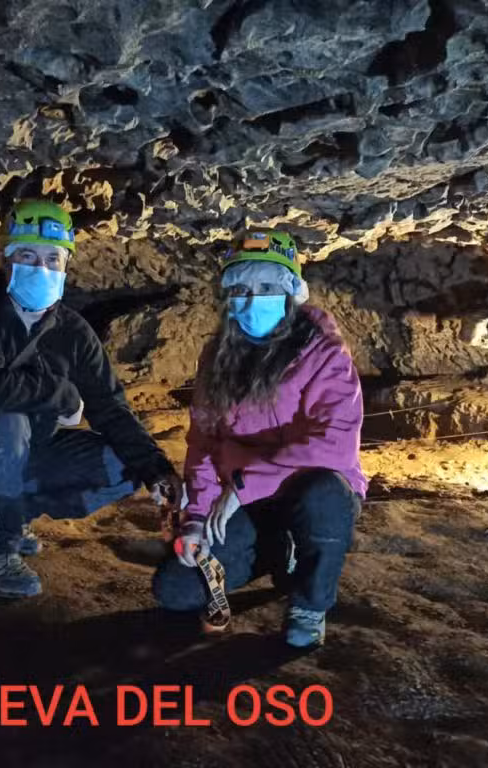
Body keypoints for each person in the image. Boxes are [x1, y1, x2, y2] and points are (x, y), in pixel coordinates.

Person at [0, 199, 182, 598]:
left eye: (53, 258)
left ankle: (9, 515)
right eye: (27, 256)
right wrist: (61, 394)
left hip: (27, 450)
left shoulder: (73, 332)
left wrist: (156, 469)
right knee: (8, 421)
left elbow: (110, 408)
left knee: (123, 464)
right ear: (5, 259)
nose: (41, 268)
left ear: (67, 265)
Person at [151, 229, 367, 650]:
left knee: (324, 494)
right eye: (241, 289)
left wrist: (243, 486)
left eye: (267, 287)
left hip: (304, 490)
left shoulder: (323, 352)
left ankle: (310, 604)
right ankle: (278, 548)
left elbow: (334, 446)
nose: (253, 299)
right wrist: (195, 518)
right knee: (175, 590)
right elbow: (203, 442)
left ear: (291, 292)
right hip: (247, 500)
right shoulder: (217, 356)